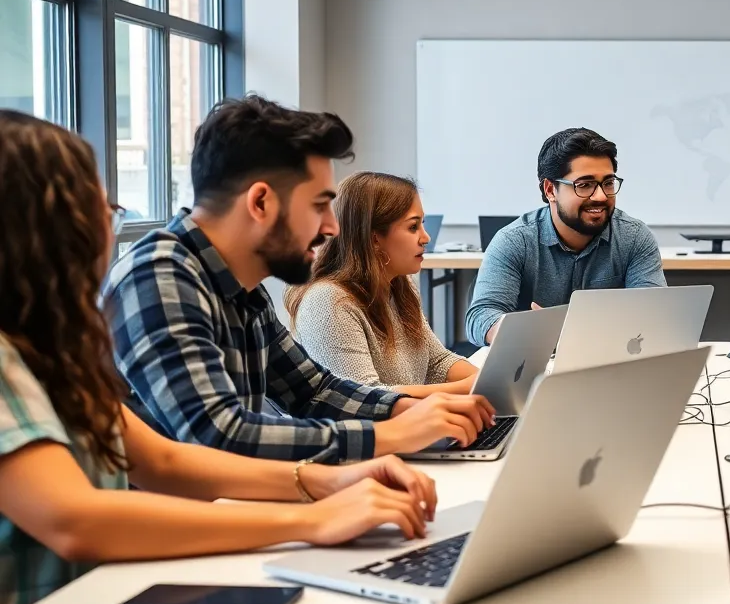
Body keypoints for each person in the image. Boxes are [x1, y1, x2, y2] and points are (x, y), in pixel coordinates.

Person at [0, 111, 441, 604]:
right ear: (52, 234)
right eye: (104, 211)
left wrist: (322, 482)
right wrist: (313, 519)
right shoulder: (148, 278)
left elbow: (164, 461)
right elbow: (76, 519)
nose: (331, 227)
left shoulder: (55, 350)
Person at [102, 95, 492, 463]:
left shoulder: (242, 287)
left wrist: (414, 411)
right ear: (260, 202)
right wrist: (391, 435)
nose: (332, 227)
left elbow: (314, 390)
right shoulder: (160, 276)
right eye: (319, 205)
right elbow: (219, 435)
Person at [286, 172, 483, 398]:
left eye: (422, 225)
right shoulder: (328, 302)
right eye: (412, 227)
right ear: (374, 238)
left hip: (409, 425)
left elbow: (437, 362)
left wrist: (488, 381)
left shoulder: (397, 287)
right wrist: (469, 388)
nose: (425, 237)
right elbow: (364, 398)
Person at [464, 127, 666, 346]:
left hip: (607, 363)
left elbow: (652, 314)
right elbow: (480, 317)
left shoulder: (634, 237)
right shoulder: (515, 240)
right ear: (550, 190)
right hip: (532, 366)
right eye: (584, 185)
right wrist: (527, 331)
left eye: (608, 183)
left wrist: (573, 331)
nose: (600, 196)